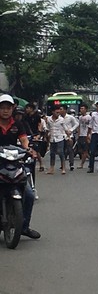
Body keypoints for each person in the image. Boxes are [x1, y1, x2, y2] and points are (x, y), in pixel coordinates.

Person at [0, 94, 40, 239]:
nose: (5, 111)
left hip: (14, 163)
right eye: (2, 108)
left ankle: (24, 227)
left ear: (13, 109)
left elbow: (24, 140)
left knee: (29, 195)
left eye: (8, 108)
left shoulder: (18, 124)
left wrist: (29, 149)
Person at [45, 106, 68, 175]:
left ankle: (63, 168)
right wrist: (46, 136)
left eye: (59, 112)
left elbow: (65, 128)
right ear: (53, 112)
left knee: (61, 152)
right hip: (52, 138)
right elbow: (48, 128)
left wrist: (68, 135)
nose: (58, 114)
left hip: (60, 138)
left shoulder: (61, 119)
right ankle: (52, 168)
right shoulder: (49, 119)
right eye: (56, 112)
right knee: (52, 153)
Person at [24, 103, 45, 171]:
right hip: (26, 135)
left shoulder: (37, 116)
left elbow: (39, 125)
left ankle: (41, 164)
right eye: (26, 108)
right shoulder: (25, 116)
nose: (27, 109)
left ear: (31, 109)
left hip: (35, 134)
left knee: (36, 149)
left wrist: (38, 134)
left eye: (28, 108)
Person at [62, 106, 79, 171]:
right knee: (62, 151)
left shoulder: (70, 117)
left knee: (70, 150)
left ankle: (71, 164)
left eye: (61, 109)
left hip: (69, 136)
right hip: (60, 136)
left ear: (65, 110)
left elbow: (76, 124)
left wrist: (71, 130)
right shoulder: (59, 118)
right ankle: (62, 165)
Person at [77, 104, 91, 169]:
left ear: (86, 109)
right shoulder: (80, 117)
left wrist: (89, 135)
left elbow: (91, 127)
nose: (81, 110)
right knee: (81, 150)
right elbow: (79, 126)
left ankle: (81, 164)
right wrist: (78, 134)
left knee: (85, 150)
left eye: (83, 108)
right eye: (80, 108)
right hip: (81, 135)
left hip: (86, 135)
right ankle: (91, 160)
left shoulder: (89, 117)